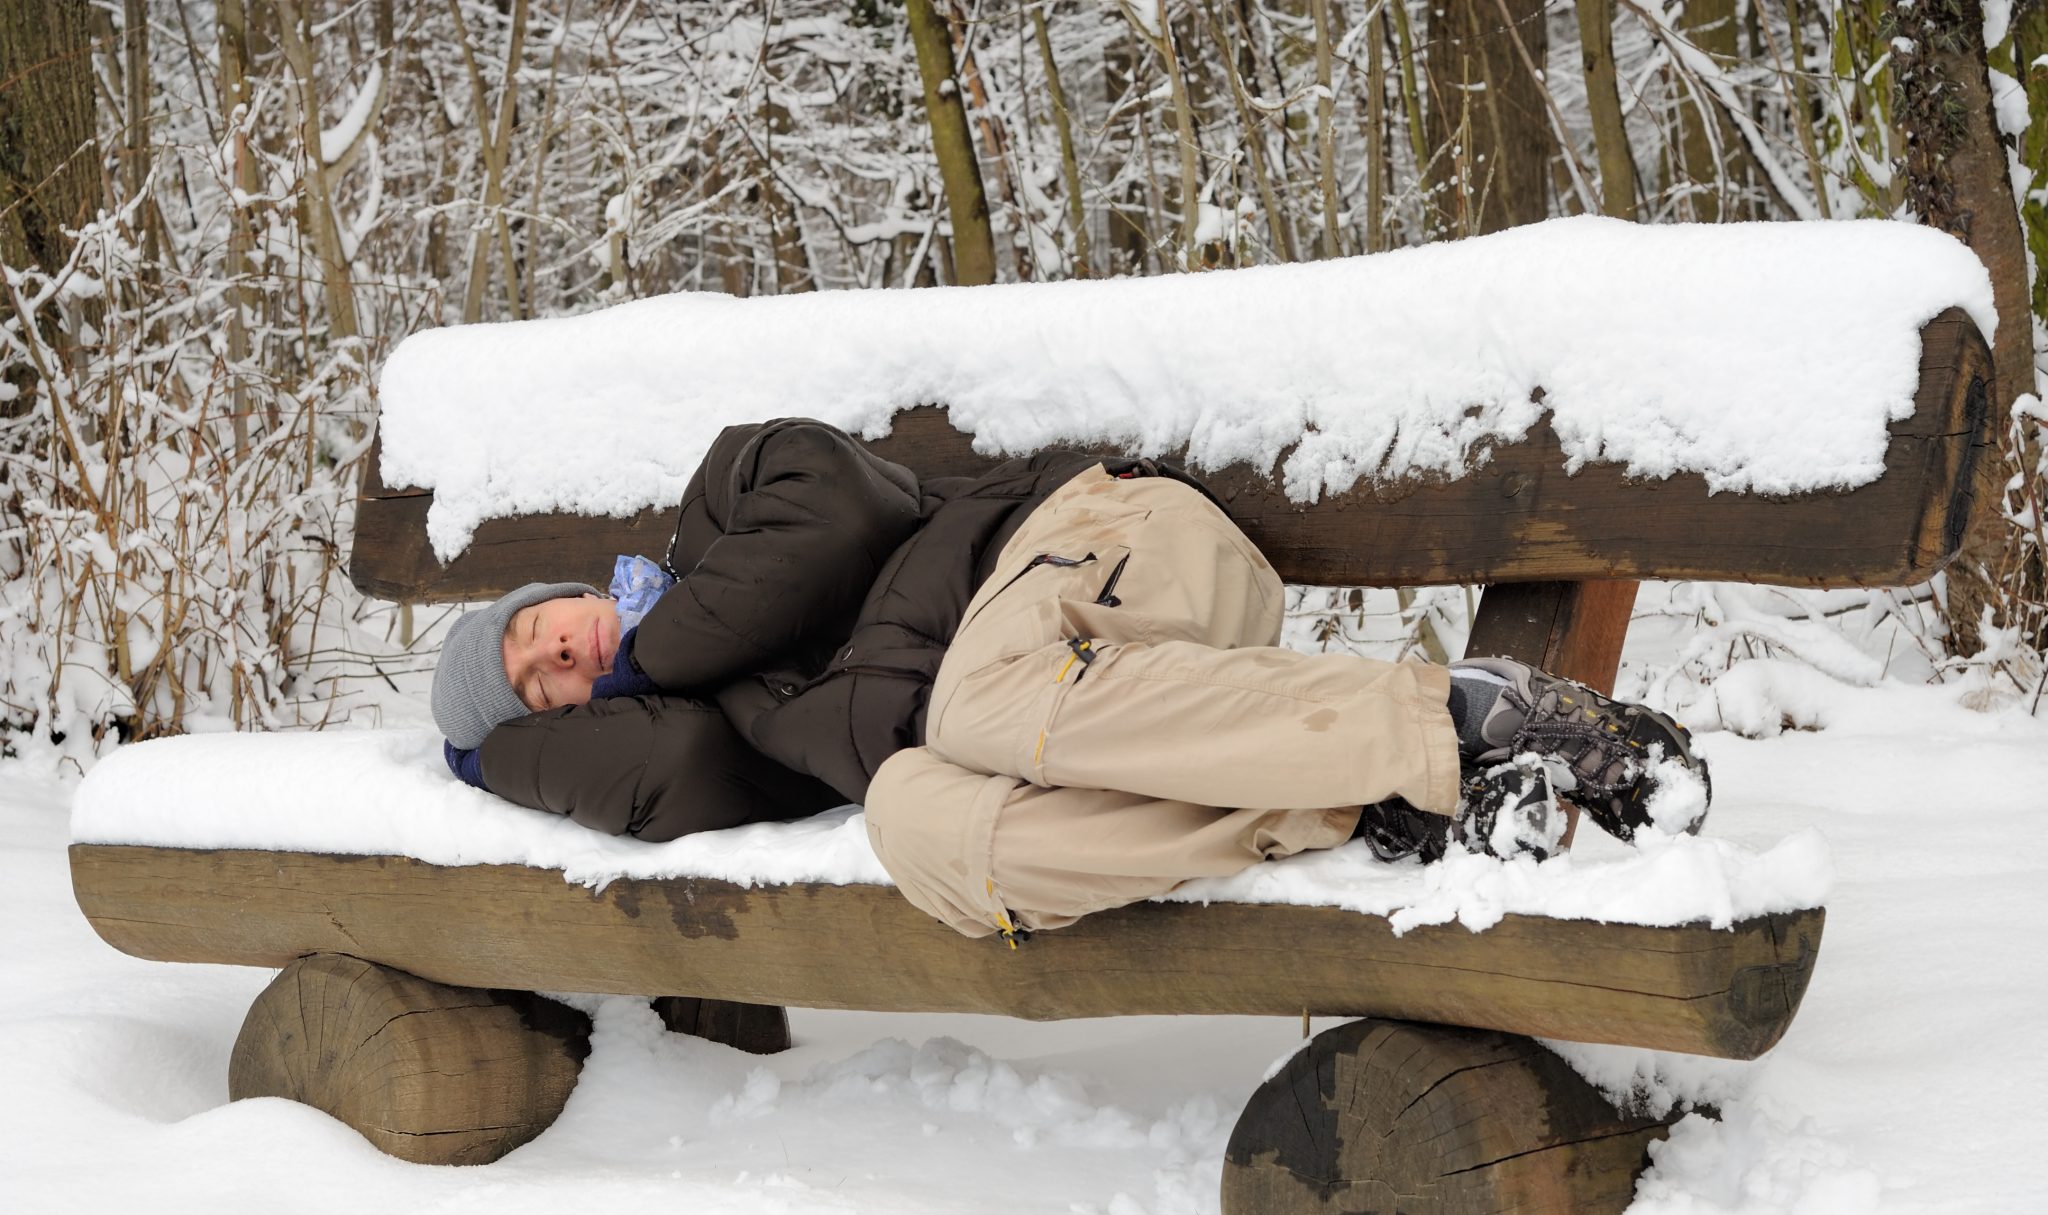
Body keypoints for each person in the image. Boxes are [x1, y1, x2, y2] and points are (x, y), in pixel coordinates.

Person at [431, 418, 1708, 943]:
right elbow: (666, 777)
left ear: (567, 594)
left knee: (968, 711)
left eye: (538, 634)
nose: (556, 662)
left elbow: (827, 514)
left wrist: (651, 654)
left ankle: (1455, 713)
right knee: (928, 834)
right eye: (539, 693)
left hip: (1108, 549)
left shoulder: (722, 503)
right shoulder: (722, 719)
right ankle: (1356, 801)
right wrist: (490, 753)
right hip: (1111, 718)